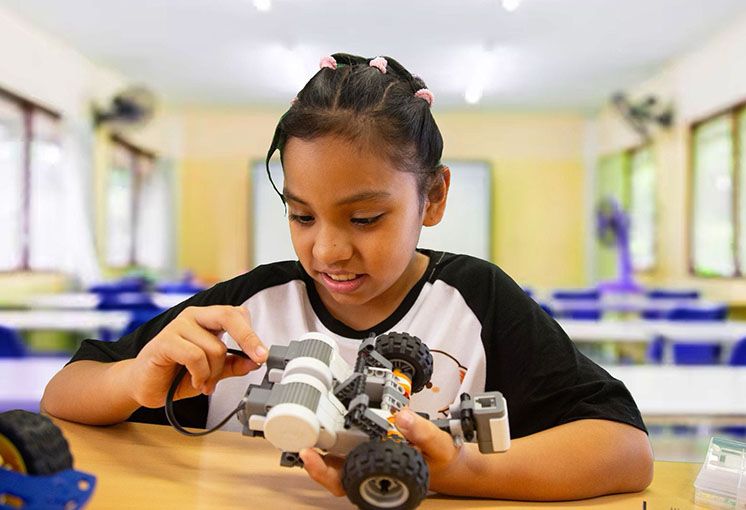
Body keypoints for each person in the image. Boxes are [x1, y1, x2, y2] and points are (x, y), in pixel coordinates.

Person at [42, 53, 653, 501]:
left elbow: (625, 451)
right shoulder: (253, 306)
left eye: (365, 217)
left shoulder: (476, 301)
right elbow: (61, 395)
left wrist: (457, 471)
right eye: (300, 214)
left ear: (433, 198)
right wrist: (133, 380)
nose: (328, 249)